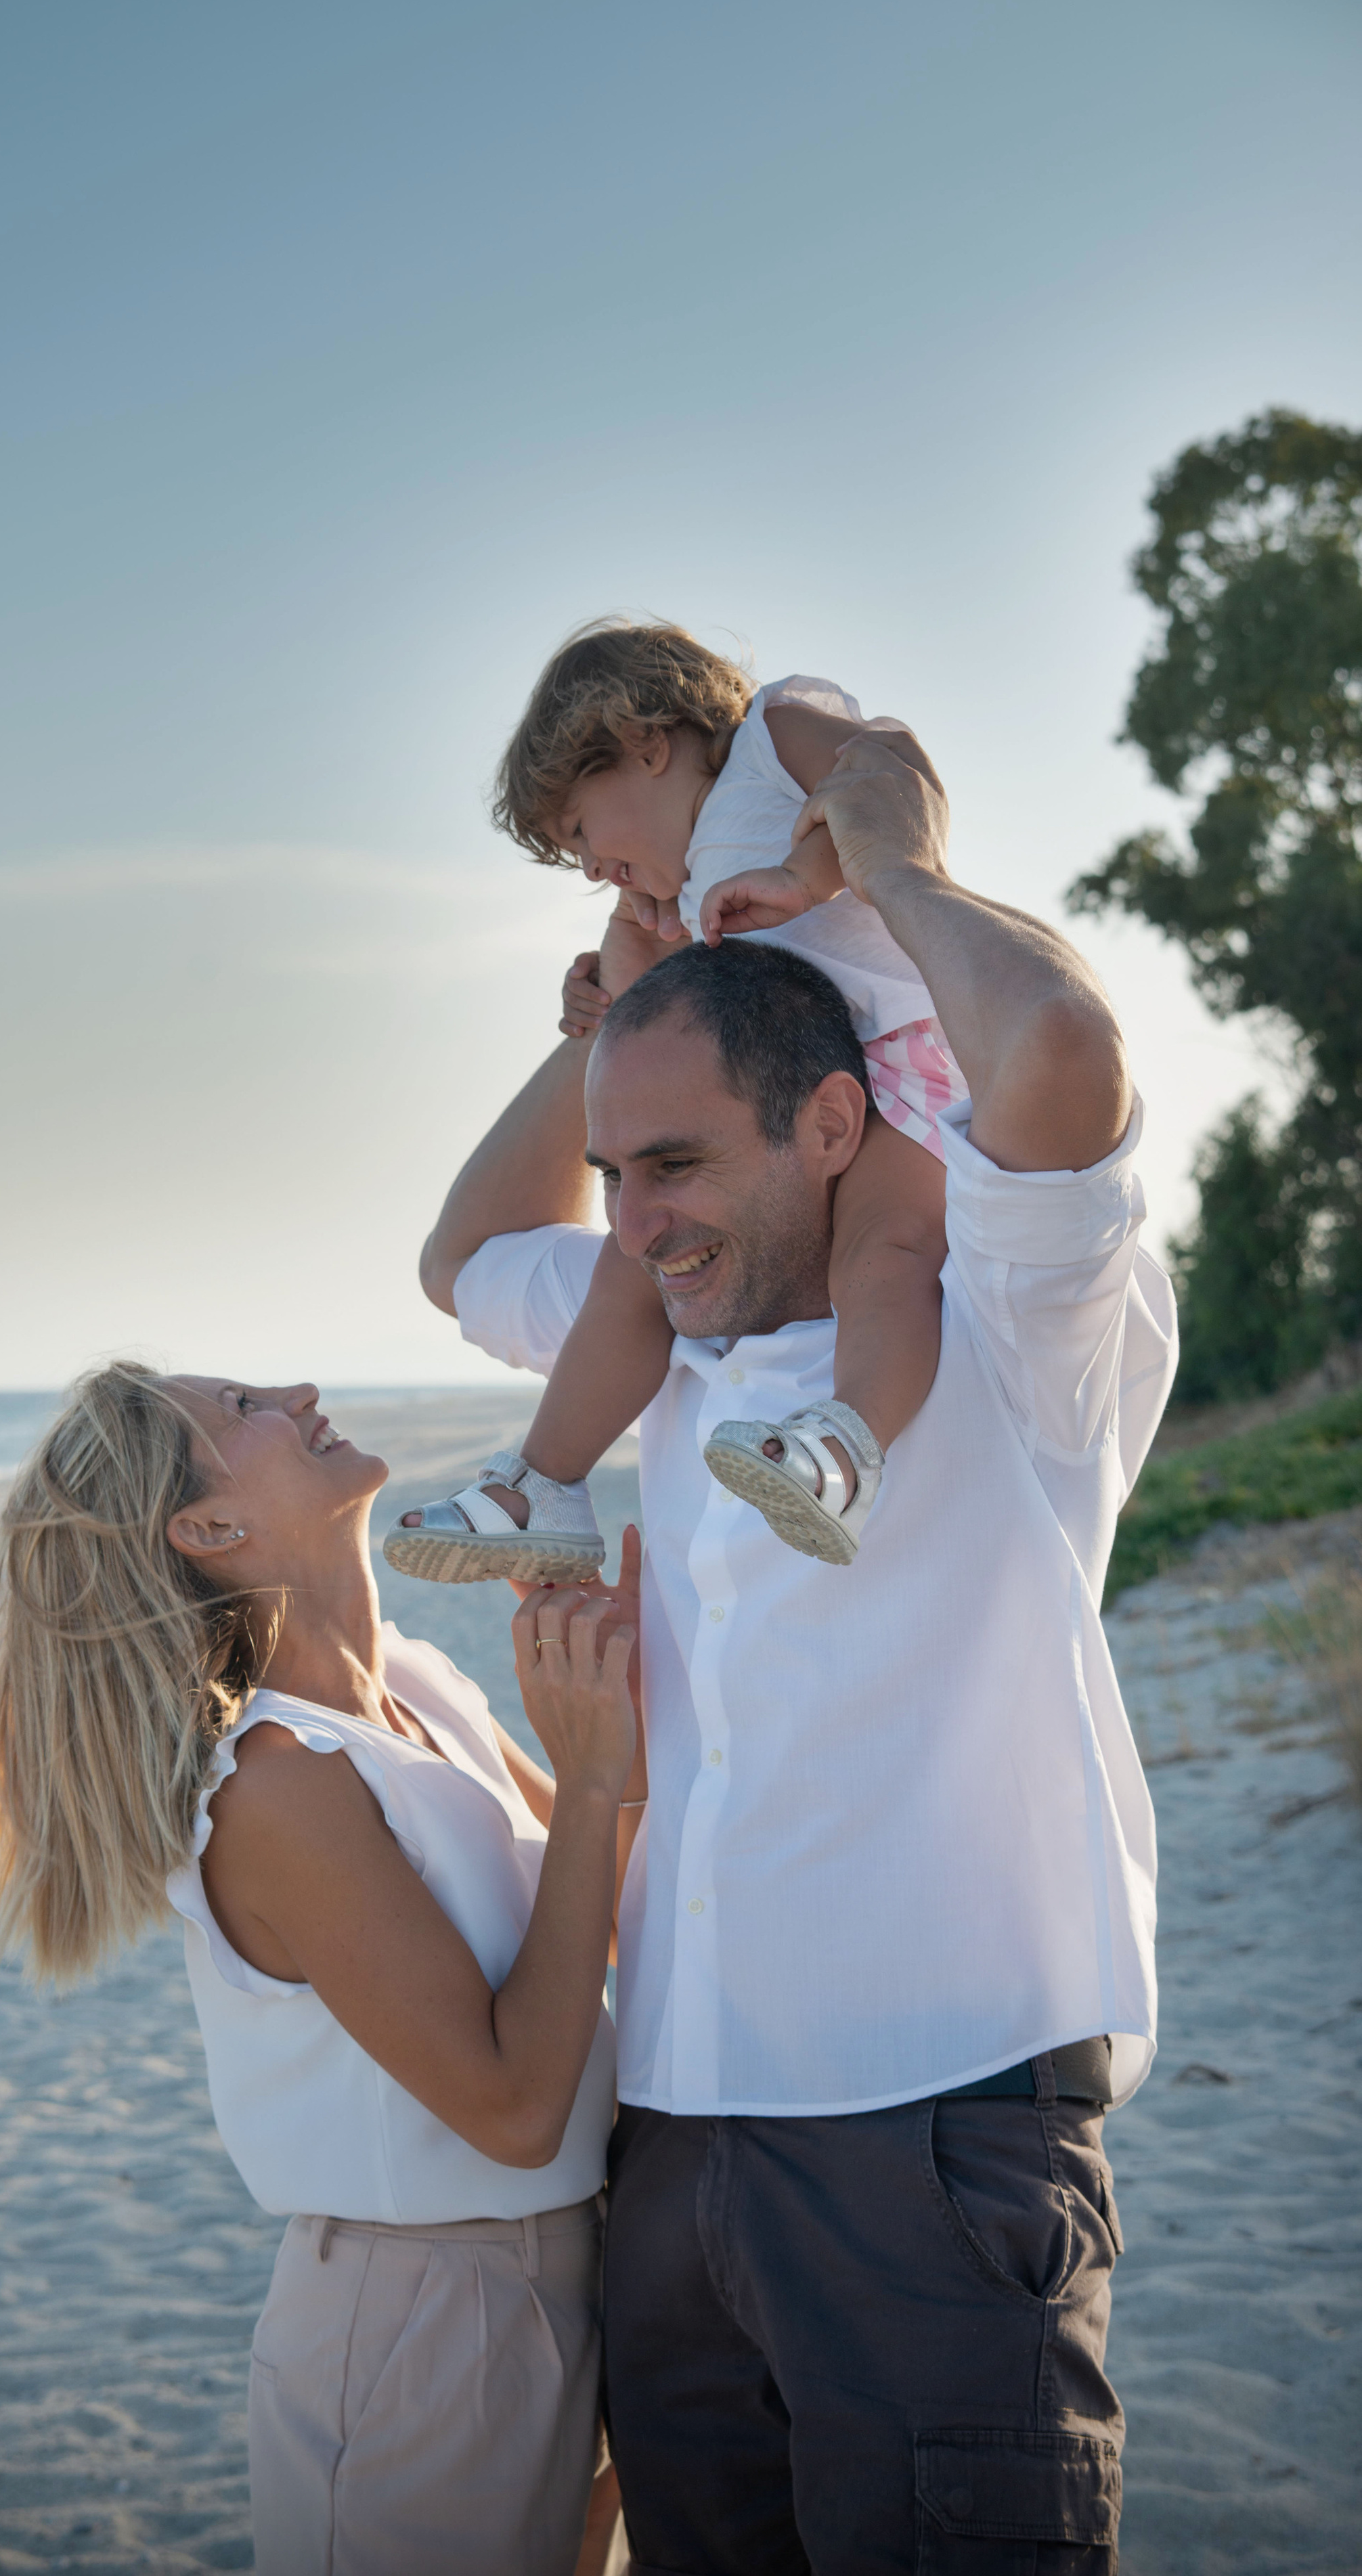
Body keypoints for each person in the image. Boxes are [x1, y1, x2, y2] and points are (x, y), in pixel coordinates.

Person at [416, 733, 1176, 2573]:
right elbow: (464, 1253)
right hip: (675, 2142)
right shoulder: (675, 1316)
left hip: (931, 2136)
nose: (634, 1220)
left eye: (675, 1161)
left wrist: (893, 868)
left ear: (830, 1125)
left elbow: (1060, 1056)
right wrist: (618, 1014)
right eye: (616, 1172)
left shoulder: (1009, 1316)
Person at [0, 1360, 644, 2575]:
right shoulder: (277, 1786)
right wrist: (586, 1779)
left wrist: (623, 1718)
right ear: (210, 1529)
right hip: (428, 2324)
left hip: (580, 2274)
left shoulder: (418, 1685)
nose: (299, 1391)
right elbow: (515, 2110)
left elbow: (623, 1917)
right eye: (243, 1409)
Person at [385, 620, 958, 1584]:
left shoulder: (773, 737)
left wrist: (809, 874)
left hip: (902, 1069)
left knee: (887, 1255)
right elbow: (667, 1042)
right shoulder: (678, 899)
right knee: (631, 1266)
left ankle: (844, 1449)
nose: (587, 868)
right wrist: (610, 1000)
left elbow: (898, 772)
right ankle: (545, 1483)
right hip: (789, 1104)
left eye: (580, 830)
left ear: (644, 742)